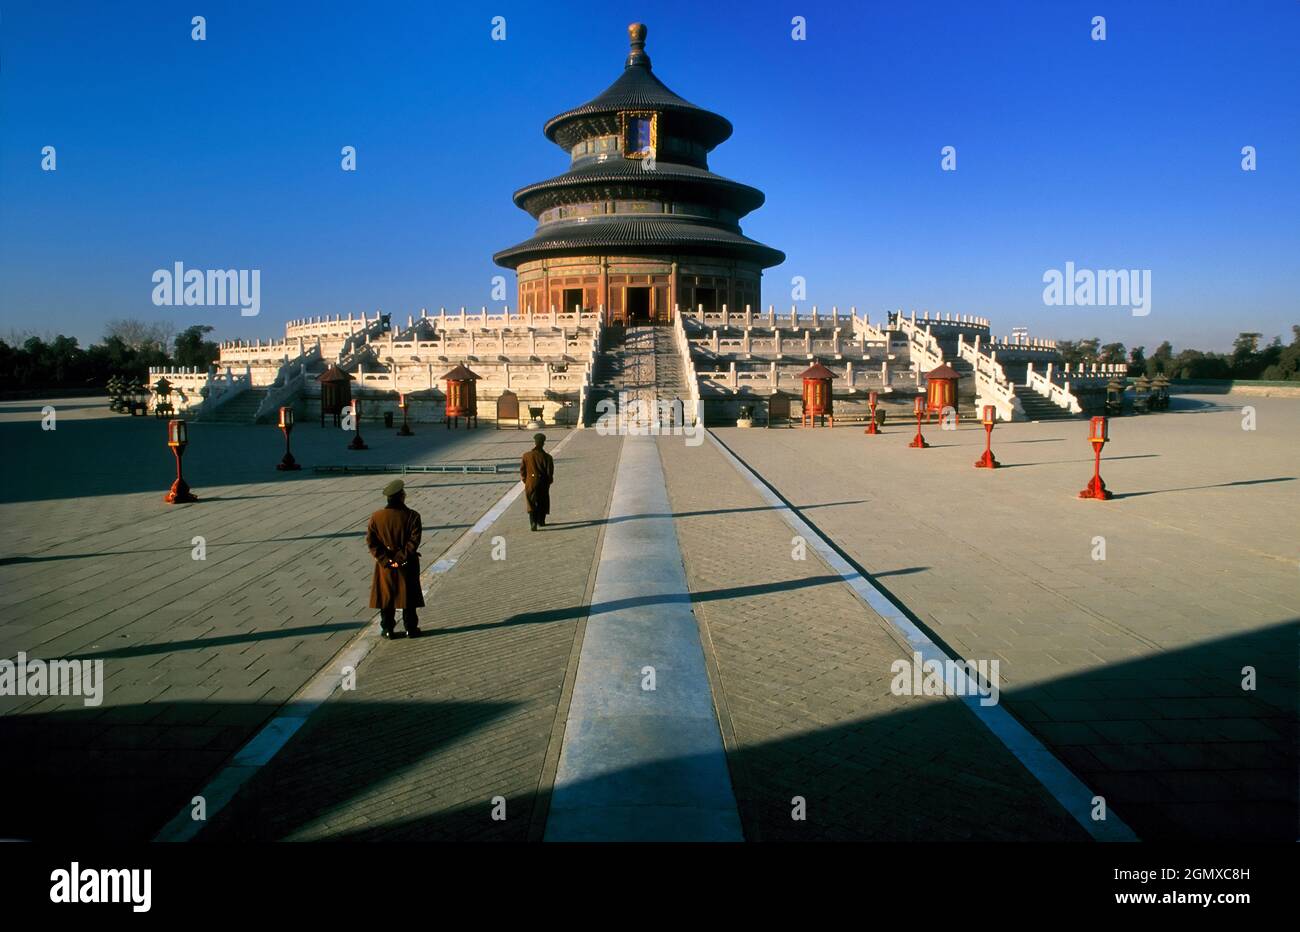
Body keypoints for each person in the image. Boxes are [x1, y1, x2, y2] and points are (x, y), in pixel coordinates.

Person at [365, 478, 424, 639]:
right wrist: (401, 558)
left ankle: (388, 629)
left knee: (386, 596)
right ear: (402, 496)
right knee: (408, 596)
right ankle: (411, 628)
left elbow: (372, 541)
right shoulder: (413, 516)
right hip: (407, 563)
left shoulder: (377, 517)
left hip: (386, 565)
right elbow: (414, 541)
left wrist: (386, 559)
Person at [520, 432, 555, 531]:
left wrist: (525, 480)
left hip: (530, 482)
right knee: (542, 501)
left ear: (535, 442)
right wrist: (549, 481)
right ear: (543, 443)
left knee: (531, 502)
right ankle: (541, 521)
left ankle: (533, 522)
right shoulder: (548, 457)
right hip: (543, 482)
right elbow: (550, 472)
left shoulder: (526, 455)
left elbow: (522, 470)